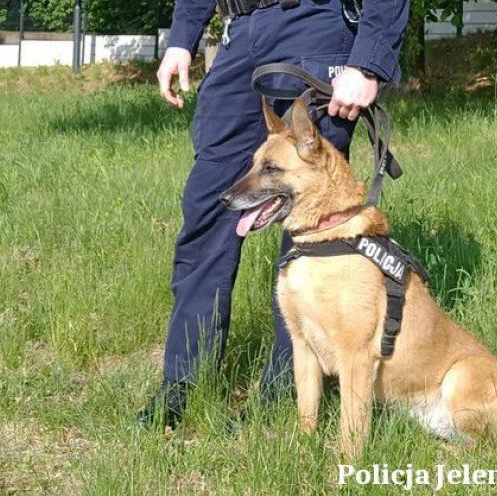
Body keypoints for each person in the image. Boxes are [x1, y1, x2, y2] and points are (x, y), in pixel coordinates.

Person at [139, 0, 410, 428]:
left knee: (308, 221)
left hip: (315, 26)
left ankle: (283, 391)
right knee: (208, 206)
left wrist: (368, 61)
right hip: (239, 32)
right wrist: (182, 37)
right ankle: (182, 382)